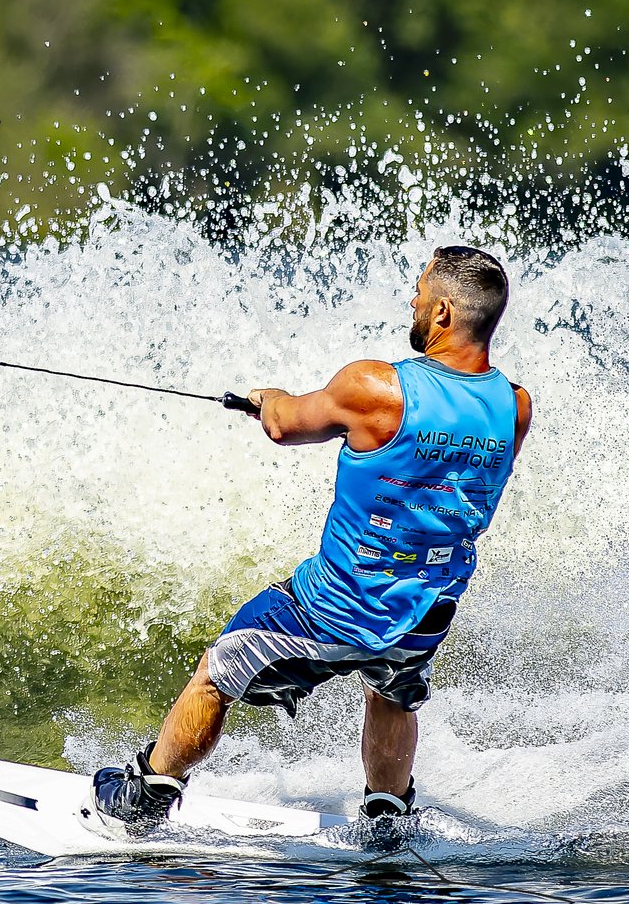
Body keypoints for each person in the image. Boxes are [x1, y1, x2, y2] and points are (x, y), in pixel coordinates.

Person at [90, 245, 532, 832]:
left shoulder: (375, 387)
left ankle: (145, 798)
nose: (413, 300)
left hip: (332, 604)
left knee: (217, 673)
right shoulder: (514, 407)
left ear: (445, 313)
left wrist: (266, 398)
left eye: (421, 292)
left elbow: (283, 425)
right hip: (426, 607)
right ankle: (387, 819)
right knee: (394, 689)